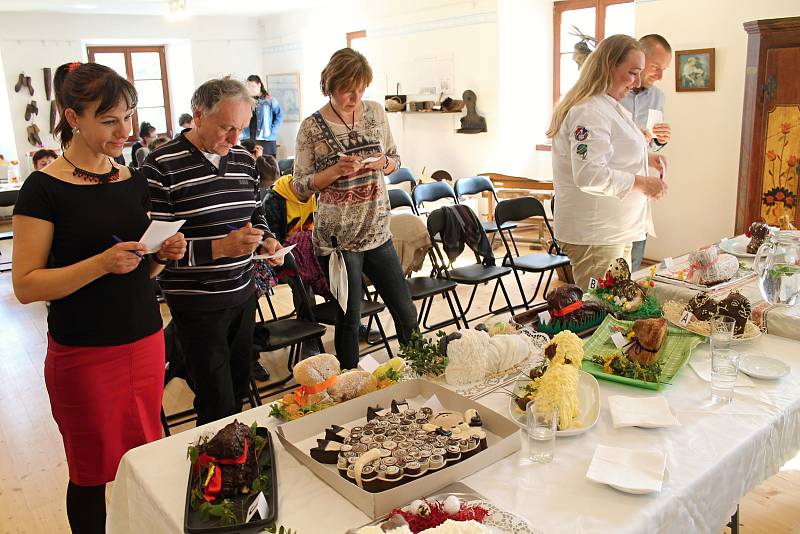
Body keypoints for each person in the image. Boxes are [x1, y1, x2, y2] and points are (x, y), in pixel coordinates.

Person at [10, 61, 186, 534]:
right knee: (89, 473)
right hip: (84, 353)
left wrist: (162, 255)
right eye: (109, 121)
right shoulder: (42, 190)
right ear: (73, 118)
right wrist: (100, 264)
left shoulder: (133, 179)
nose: (125, 131)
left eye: (129, 117)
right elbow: (25, 285)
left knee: (146, 457)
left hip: (144, 339)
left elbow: (138, 272)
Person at [141, 77, 283, 425]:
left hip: (242, 292)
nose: (236, 139)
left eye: (242, 128)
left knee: (236, 388)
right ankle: (214, 470)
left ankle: (233, 464)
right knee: (216, 401)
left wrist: (267, 239)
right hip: (196, 301)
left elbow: (255, 213)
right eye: (227, 128)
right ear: (198, 115)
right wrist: (221, 248)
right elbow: (157, 248)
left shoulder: (242, 160)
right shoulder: (161, 166)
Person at [293, 47, 418, 369]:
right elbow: (299, 186)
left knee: (405, 310)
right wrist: (334, 171)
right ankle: (350, 383)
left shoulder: (376, 113)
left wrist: (383, 163)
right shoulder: (311, 127)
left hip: (377, 230)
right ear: (330, 85)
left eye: (361, 88)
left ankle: (420, 372)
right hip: (337, 241)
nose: (356, 96)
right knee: (349, 319)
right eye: (348, 90)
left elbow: (395, 158)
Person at [546, 34, 668, 291]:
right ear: (609, 65)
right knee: (601, 310)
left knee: (616, 306)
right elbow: (590, 175)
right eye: (632, 72)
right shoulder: (589, 111)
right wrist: (642, 183)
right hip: (597, 232)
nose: (636, 83)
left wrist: (647, 158)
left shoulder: (608, 105)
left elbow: (609, 152)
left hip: (615, 229)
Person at [620, 34, 673, 271]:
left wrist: (659, 142)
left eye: (664, 69)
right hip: (614, 187)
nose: (660, 76)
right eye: (655, 67)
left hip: (640, 190)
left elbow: (648, 144)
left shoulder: (657, 97)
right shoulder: (610, 93)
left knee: (633, 257)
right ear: (639, 58)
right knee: (611, 266)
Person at [242, 74, 284, 157]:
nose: (250, 89)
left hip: (266, 139)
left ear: (259, 85)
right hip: (248, 139)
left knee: (267, 166)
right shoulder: (245, 100)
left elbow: (280, 115)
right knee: (250, 165)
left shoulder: (269, 100)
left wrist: (272, 131)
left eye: (252, 86)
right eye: (248, 86)